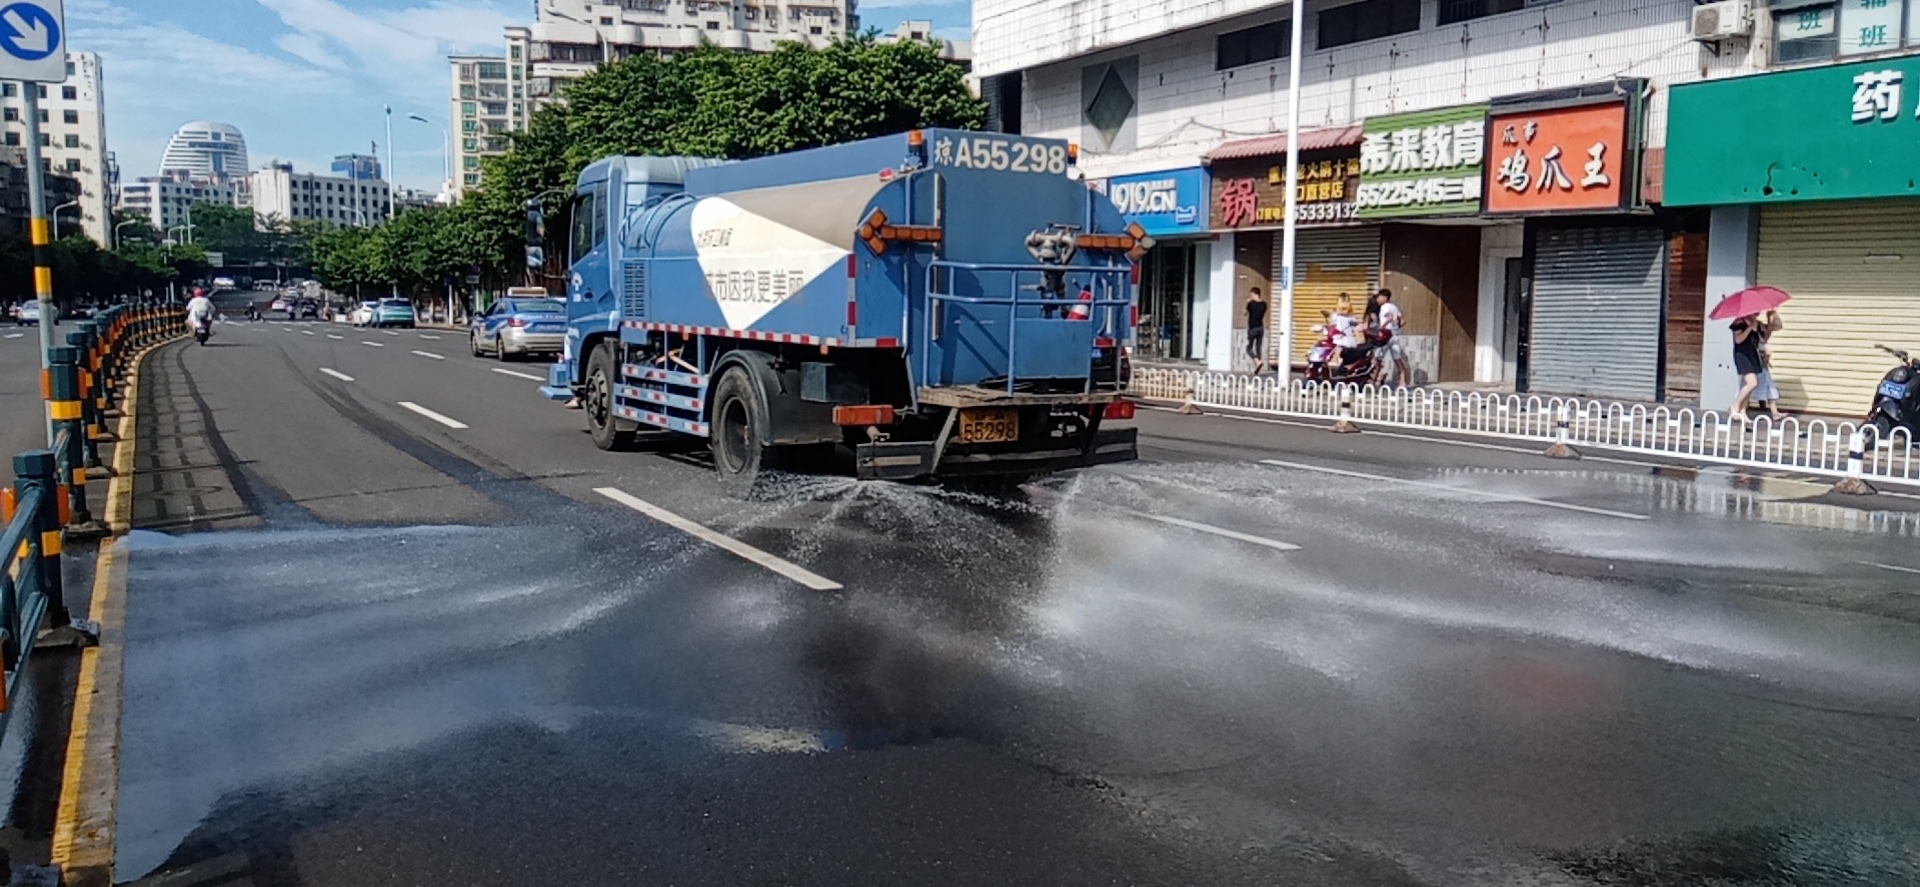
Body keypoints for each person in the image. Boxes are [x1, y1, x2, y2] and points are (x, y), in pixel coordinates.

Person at [1729, 313, 1765, 420]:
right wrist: (1750, 328)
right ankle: (1736, 405)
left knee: (1749, 383)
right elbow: (1738, 340)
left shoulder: (1754, 322)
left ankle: (1743, 411)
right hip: (1742, 355)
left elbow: (1762, 338)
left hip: (1752, 354)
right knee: (1752, 382)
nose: (1757, 314)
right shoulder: (1739, 322)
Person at [1751, 310, 1784, 419]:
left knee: (1769, 384)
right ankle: (1739, 408)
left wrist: (1771, 317)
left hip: (1761, 359)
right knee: (1747, 385)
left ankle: (1774, 412)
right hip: (1752, 359)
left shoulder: (1759, 325)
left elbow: (1775, 328)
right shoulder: (1747, 326)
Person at [1372, 289, 1407, 388]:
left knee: (1377, 358)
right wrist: (1395, 328)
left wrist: (1383, 326)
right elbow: (1403, 321)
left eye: (1379, 297)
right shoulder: (1394, 307)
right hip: (1395, 336)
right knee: (1397, 359)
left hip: (1385, 336)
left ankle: (1373, 381)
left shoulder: (1384, 307)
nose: (1377, 299)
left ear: (1385, 297)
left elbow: (1389, 318)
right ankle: (1403, 381)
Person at [1329, 293, 1362, 366]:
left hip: (1341, 339)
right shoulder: (1348, 316)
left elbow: (1332, 326)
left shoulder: (1336, 315)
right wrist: (1359, 338)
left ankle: (1341, 369)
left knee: (1340, 356)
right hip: (1346, 340)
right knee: (1342, 357)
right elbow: (1354, 328)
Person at [1246, 286, 1269, 374]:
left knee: (1248, 348)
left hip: (1252, 328)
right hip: (1260, 327)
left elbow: (1245, 312)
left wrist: (1247, 303)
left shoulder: (1251, 304)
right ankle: (1258, 366)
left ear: (1255, 294)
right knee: (1258, 347)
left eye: (1251, 294)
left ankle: (1257, 361)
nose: (1251, 296)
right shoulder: (1264, 304)